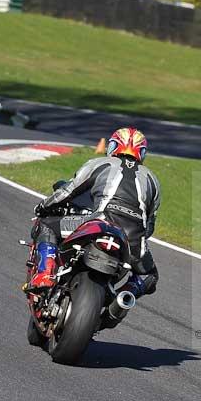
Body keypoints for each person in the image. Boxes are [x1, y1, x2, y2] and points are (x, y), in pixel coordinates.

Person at [27, 127, 161, 298]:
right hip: (133, 238)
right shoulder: (153, 180)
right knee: (150, 274)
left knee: (46, 226)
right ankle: (122, 297)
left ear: (113, 146)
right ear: (142, 153)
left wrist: (43, 206)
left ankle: (45, 274)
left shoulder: (100, 163)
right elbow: (149, 226)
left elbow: (68, 191)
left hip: (99, 222)